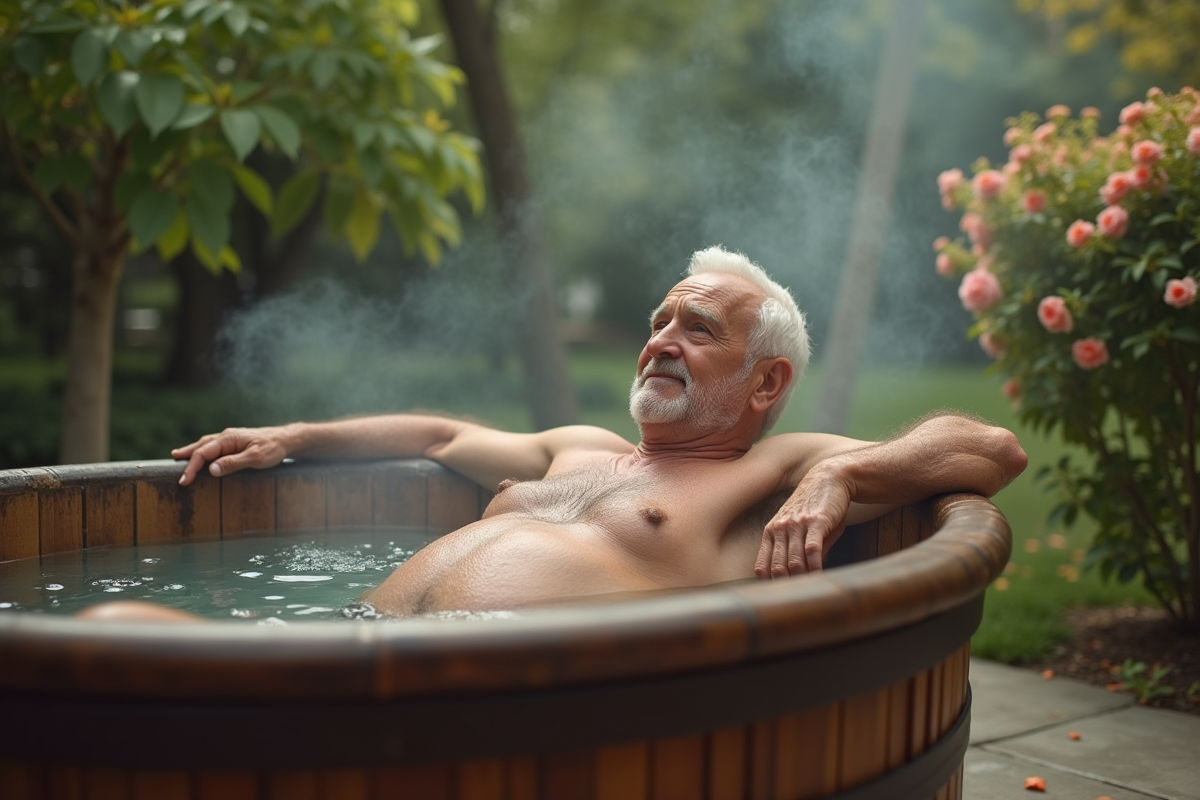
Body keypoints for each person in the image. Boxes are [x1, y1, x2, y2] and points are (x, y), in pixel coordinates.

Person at [85, 246, 1026, 621]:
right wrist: (296, 435)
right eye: (659, 321)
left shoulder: (771, 466)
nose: (661, 340)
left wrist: (843, 478)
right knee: (116, 634)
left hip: (505, 697)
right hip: (352, 645)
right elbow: (441, 434)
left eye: (697, 329)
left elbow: (989, 449)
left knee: (118, 638)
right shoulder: (579, 445)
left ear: (766, 382)